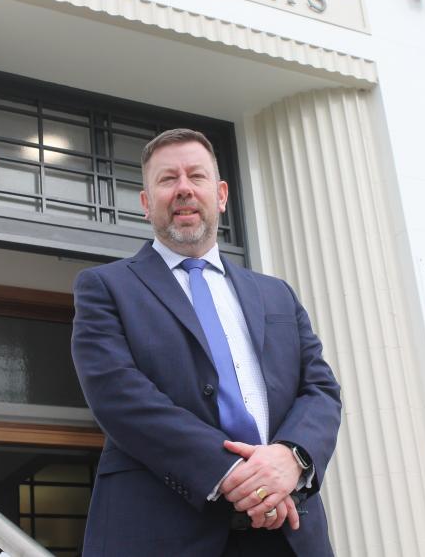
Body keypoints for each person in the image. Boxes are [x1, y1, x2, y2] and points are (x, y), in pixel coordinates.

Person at [72, 128, 341, 557]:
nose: (183, 189)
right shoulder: (105, 287)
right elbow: (117, 394)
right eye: (166, 179)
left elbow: (320, 390)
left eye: (196, 177)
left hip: (288, 532)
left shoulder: (277, 294)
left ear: (220, 195)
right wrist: (233, 472)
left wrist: (292, 458)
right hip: (162, 531)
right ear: (146, 203)